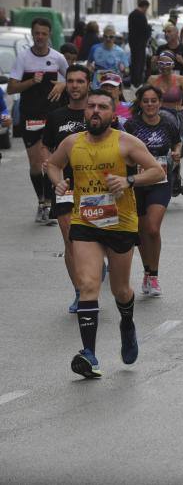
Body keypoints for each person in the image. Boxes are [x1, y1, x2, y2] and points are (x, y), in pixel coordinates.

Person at [46, 89, 166, 378]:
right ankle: (90, 354)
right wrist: (59, 183)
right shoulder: (72, 142)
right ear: (84, 112)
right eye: (91, 107)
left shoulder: (126, 143)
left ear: (113, 115)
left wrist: (129, 180)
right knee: (88, 284)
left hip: (120, 225)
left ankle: (127, 323)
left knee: (120, 290)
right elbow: (52, 164)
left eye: (102, 107)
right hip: (85, 222)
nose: (95, 111)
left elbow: (158, 172)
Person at [7, 17, 68, 224]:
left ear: (49, 34)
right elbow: (11, 88)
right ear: (32, 35)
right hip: (30, 115)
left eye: (43, 33)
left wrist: (62, 85)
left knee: (47, 161)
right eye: (37, 33)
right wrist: (31, 81)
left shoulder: (58, 58)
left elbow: (75, 79)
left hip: (51, 115)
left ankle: (49, 205)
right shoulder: (23, 58)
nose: (40, 37)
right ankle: (41, 201)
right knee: (35, 164)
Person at [124, 85, 182, 297]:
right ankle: (147, 272)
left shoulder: (168, 122)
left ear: (160, 102)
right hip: (137, 182)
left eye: (153, 100)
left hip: (161, 180)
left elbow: (177, 144)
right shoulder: (131, 125)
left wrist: (176, 154)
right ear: (140, 103)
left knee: (152, 229)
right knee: (140, 232)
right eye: (145, 101)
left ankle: (154, 275)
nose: (150, 105)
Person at [43, 64, 90, 313]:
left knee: (94, 240)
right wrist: (50, 168)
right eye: (70, 81)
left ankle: (95, 266)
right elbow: (47, 147)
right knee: (71, 240)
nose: (74, 86)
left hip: (95, 187)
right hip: (65, 186)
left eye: (79, 81)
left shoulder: (98, 111)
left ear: (88, 84)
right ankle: (80, 292)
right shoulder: (56, 116)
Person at [146, 51, 183, 142]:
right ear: (158, 65)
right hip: (156, 114)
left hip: (176, 113)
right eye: (161, 63)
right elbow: (142, 96)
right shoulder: (152, 79)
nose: (164, 67)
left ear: (173, 65)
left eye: (168, 64)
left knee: (178, 139)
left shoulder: (181, 79)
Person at [128, 0, 152, 87]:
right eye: (146, 8)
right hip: (140, 43)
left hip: (132, 43)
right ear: (145, 6)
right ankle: (138, 82)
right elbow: (145, 31)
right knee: (140, 63)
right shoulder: (141, 16)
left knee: (134, 62)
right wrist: (149, 28)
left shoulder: (131, 15)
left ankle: (133, 81)